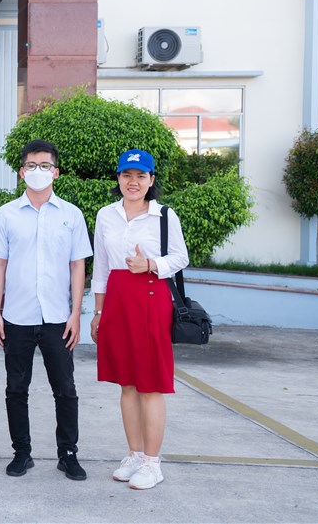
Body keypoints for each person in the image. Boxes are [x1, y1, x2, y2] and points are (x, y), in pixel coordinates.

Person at [0, 139, 93, 481]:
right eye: (32, 165)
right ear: (22, 172)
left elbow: (77, 266)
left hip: (57, 318)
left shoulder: (71, 215)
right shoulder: (6, 214)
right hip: (17, 316)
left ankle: (68, 453)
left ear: (56, 172)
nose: (38, 171)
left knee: (65, 388)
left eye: (45, 165)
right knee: (16, 389)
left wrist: (75, 313)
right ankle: (22, 453)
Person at [90, 148, 189, 490]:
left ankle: (152, 462)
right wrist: (98, 312)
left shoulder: (164, 216)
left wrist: (150, 265)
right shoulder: (106, 215)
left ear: (151, 180)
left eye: (140, 176)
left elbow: (181, 257)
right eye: (126, 175)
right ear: (118, 178)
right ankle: (134, 454)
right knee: (127, 383)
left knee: (150, 383)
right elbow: (101, 266)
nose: (133, 182)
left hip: (150, 296)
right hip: (117, 299)